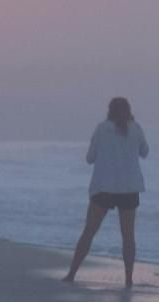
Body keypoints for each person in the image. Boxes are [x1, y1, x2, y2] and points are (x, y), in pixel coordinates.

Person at [63, 96, 149, 288]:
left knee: (89, 232)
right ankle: (128, 280)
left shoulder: (102, 129)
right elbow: (145, 152)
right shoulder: (136, 129)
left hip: (104, 187)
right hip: (129, 188)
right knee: (128, 236)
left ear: (109, 111)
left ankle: (71, 274)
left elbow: (90, 158)